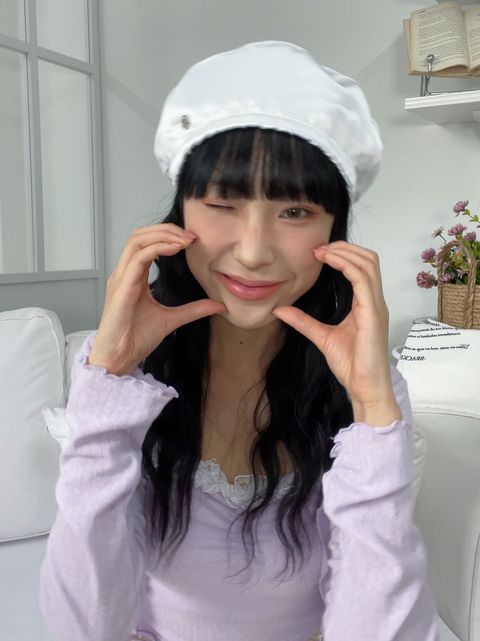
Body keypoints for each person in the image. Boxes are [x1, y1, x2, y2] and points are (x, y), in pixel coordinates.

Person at [39, 41, 440, 641]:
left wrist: (373, 409)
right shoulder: (117, 375)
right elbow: (83, 626)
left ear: (336, 230)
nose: (252, 252)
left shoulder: (369, 391)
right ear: (180, 214)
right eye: (222, 203)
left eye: (295, 212)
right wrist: (110, 381)